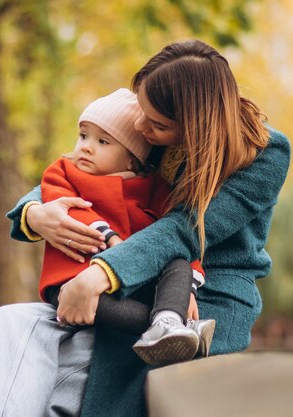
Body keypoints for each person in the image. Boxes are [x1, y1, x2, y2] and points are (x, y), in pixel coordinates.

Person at [0, 39, 291, 417]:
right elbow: (78, 170)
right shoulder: (158, 131)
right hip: (134, 284)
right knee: (10, 321)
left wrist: (98, 277)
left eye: (156, 123)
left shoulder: (263, 154)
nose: (140, 127)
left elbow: (184, 230)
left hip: (209, 298)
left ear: (192, 125)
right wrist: (34, 213)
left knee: (82, 378)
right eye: (141, 111)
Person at [37, 87, 213, 365]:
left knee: (179, 260)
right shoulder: (64, 172)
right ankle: (176, 328)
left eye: (103, 141)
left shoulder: (153, 187)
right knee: (110, 310)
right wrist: (109, 238)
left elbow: (173, 232)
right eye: (83, 135)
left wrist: (189, 280)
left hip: (136, 279)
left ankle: (168, 318)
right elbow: (64, 206)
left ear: (132, 157)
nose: (86, 146)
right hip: (74, 280)